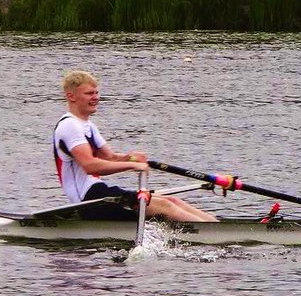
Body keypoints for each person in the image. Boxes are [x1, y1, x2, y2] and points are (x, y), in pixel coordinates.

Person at [53, 70, 218, 223]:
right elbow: (90, 166)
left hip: (100, 193)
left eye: (96, 92)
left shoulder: (87, 125)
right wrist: (132, 165)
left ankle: (216, 225)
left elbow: (110, 157)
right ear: (71, 96)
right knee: (165, 207)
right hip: (88, 201)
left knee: (172, 201)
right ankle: (215, 236)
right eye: (89, 93)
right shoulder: (69, 126)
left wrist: (131, 157)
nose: (96, 97)